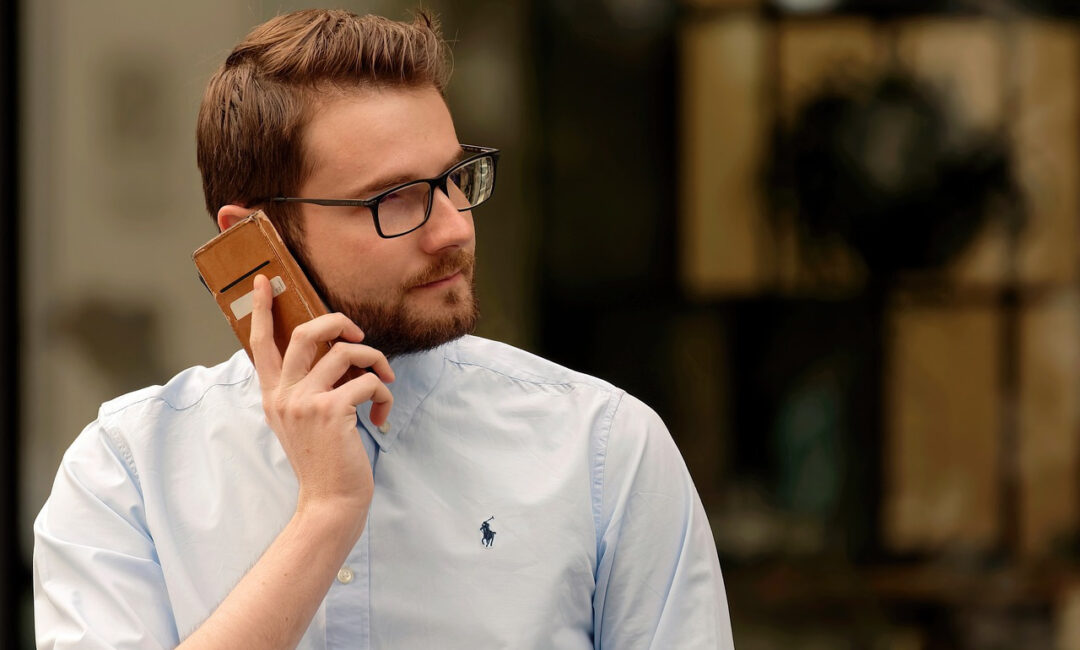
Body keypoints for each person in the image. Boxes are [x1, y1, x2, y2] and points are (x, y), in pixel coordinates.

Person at [33, 9, 735, 649]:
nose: (455, 228)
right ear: (254, 238)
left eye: (456, 178)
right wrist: (325, 516)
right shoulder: (125, 474)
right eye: (394, 200)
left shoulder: (603, 452)